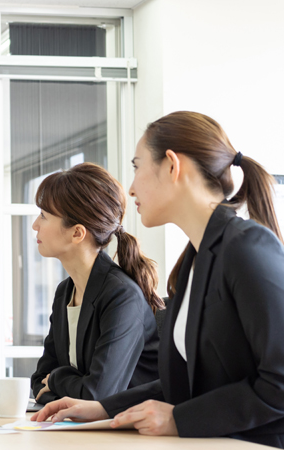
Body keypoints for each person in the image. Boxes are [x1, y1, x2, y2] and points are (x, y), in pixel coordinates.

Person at [32, 111, 284, 448]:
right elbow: (184, 384)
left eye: (137, 167)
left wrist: (180, 418)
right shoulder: (192, 263)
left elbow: (279, 382)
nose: (131, 186)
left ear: (171, 165)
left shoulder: (247, 247)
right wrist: (102, 407)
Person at [30, 163, 160, 404]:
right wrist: (68, 384)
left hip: (133, 438)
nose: (35, 225)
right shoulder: (65, 293)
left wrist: (57, 381)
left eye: (44, 216)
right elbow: (38, 382)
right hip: (87, 431)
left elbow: (97, 395)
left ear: (77, 233)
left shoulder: (121, 296)